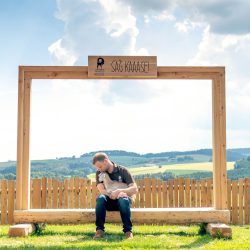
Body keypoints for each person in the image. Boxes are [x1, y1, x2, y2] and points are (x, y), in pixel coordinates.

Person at [92, 152, 138, 240]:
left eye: (100, 166)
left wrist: (120, 191)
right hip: (109, 201)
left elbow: (134, 189)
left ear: (105, 161)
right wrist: (111, 194)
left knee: (123, 199)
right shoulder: (99, 173)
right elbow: (102, 190)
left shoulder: (123, 170)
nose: (99, 169)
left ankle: (128, 231)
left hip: (123, 202)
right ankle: (99, 230)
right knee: (100, 198)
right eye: (98, 168)